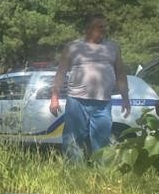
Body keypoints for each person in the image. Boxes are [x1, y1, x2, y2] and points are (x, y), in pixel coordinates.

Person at [50, 13, 130, 160]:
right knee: (73, 140)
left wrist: (126, 98)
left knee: (102, 140)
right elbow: (61, 72)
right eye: (100, 27)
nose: (104, 30)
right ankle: (74, 171)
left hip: (103, 102)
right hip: (77, 101)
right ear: (89, 29)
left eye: (105, 27)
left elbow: (120, 74)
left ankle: (102, 171)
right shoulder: (72, 47)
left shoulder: (113, 47)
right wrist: (54, 97)